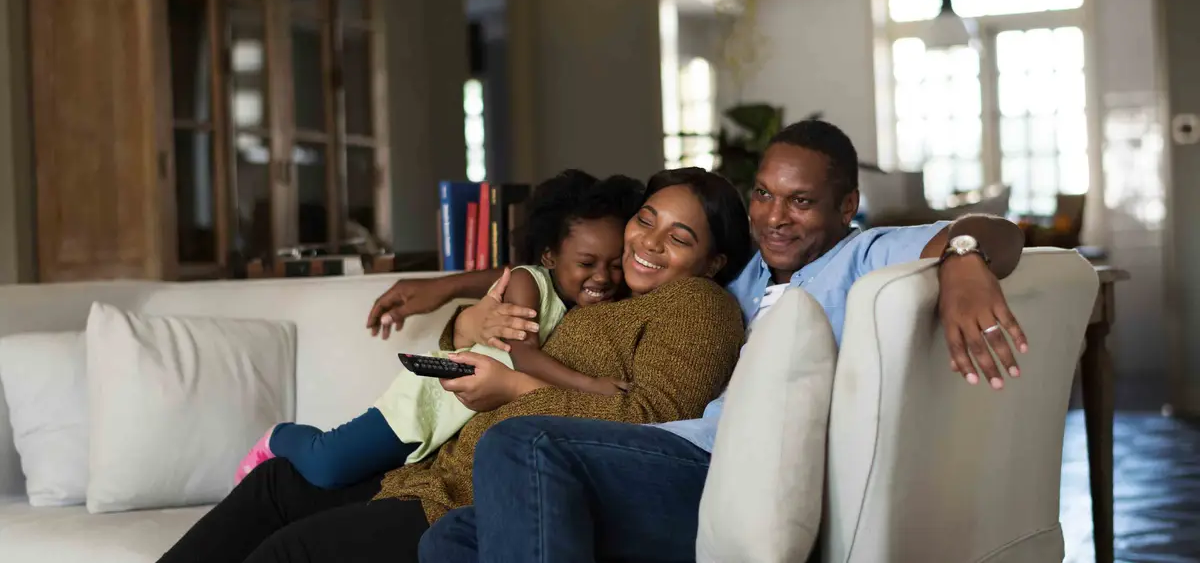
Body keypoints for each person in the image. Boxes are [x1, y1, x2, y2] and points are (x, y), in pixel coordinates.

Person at [393, 119, 1030, 562]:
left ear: (846, 206)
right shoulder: (737, 269)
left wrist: (966, 261)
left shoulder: (863, 254)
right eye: (764, 194)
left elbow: (997, 230)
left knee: (519, 440)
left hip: (722, 472)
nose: (776, 216)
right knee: (449, 541)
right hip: (659, 453)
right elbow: (587, 272)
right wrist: (456, 291)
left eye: (801, 201)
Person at [157, 167, 754, 563]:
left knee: (296, 551)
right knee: (277, 485)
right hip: (434, 468)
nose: (647, 243)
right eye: (646, 219)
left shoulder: (698, 306)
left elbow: (653, 419)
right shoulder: (610, 286)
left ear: (712, 261)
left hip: (473, 496)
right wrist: (458, 306)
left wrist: (514, 388)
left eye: (678, 237)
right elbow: (529, 287)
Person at [231, 171, 643, 489]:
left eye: (614, 264)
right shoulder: (529, 283)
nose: (603, 277)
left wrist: (443, 288)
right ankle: (278, 437)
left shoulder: (579, 304)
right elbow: (525, 355)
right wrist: (590, 385)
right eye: (587, 264)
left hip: (452, 423)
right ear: (551, 256)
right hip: (423, 403)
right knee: (328, 466)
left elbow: (488, 277)